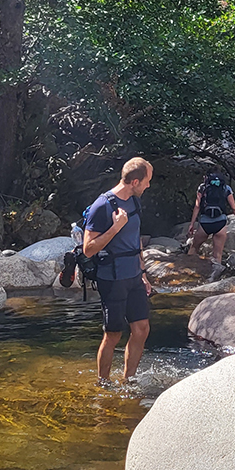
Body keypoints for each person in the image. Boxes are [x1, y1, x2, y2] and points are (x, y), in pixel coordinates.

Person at [82, 156, 153, 383]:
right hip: (111, 279)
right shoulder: (102, 206)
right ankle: (103, 383)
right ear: (134, 181)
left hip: (134, 276)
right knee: (113, 334)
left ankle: (128, 380)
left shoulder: (135, 202)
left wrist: (143, 273)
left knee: (141, 328)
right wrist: (115, 228)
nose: (148, 185)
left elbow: (136, 239)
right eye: (147, 181)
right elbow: (88, 249)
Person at [186, 171, 235, 273]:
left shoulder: (202, 187)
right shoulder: (226, 188)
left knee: (194, 248)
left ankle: (187, 270)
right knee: (217, 255)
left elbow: (197, 206)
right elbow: (234, 208)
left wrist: (192, 224)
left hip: (205, 224)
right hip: (220, 223)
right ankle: (214, 277)